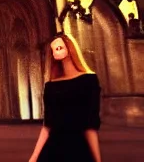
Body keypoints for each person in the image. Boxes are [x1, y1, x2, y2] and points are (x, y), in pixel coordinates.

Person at [29, 33, 102, 162]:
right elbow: (47, 125)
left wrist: (97, 160)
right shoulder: (51, 86)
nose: (56, 52)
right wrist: (34, 157)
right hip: (52, 150)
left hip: (78, 149)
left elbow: (90, 125)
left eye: (60, 47)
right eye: (53, 50)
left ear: (70, 48)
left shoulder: (89, 80)